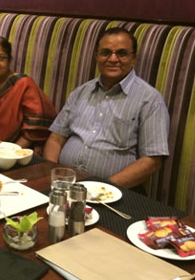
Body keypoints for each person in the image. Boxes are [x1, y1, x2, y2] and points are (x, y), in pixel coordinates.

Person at [43, 27, 169, 189]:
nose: (113, 59)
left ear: (133, 58)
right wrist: (53, 174)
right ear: (96, 56)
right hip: (63, 186)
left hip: (112, 193)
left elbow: (152, 160)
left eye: (122, 53)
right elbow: (56, 138)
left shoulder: (150, 100)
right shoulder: (81, 92)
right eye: (105, 52)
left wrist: (103, 188)